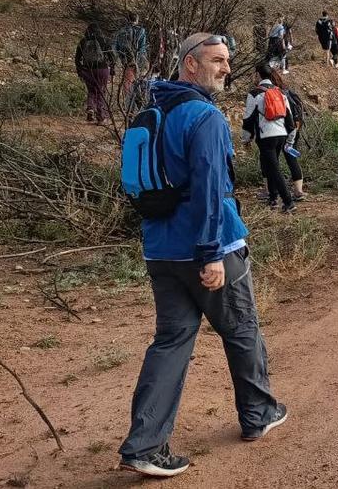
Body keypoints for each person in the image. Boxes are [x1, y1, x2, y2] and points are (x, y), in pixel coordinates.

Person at [119, 33, 287, 477]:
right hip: (208, 250)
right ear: (190, 65)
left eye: (228, 61)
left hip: (160, 252)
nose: (226, 68)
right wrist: (212, 253)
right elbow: (213, 191)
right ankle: (258, 413)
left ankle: (145, 445)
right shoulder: (205, 118)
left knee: (171, 342)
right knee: (242, 328)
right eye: (217, 60)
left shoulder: (148, 114)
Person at [241, 62, 297, 212]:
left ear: (258, 75)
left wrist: (246, 139)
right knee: (270, 165)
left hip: (266, 136)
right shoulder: (281, 92)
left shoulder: (254, 93)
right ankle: (273, 198)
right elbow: (289, 119)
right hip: (281, 135)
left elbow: (248, 119)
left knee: (274, 168)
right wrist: (290, 139)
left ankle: (288, 202)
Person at [273, 69, 307, 202]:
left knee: (271, 160)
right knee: (291, 158)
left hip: (280, 130)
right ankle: (299, 190)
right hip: (294, 129)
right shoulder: (288, 91)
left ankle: (271, 191)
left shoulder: (275, 93)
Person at [74, 23, 111, 123]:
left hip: (87, 69)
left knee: (91, 90)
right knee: (101, 91)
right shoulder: (104, 40)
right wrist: (113, 69)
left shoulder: (83, 41)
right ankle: (101, 116)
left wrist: (80, 71)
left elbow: (77, 59)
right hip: (102, 69)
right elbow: (111, 55)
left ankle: (90, 108)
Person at [114, 12, 149, 111]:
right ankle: (141, 106)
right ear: (137, 20)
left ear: (127, 19)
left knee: (128, 84)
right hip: (140, 61)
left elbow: (116, 48)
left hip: (127, 62)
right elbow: (142, 48)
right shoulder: (141, 31)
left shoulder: (121, 31)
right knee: (141, 83)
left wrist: (122, 59)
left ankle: (129, 106)